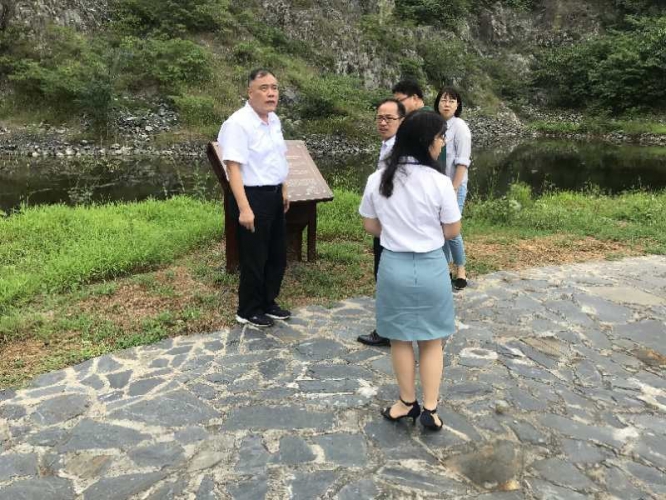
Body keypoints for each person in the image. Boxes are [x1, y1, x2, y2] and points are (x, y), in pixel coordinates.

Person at [359, 111, 461, 431]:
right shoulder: (440, 182)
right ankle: (430, 409)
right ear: (427, 142)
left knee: (400, 339)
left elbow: (370, 225)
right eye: (440, 137)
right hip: (431, 267)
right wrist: (425, 233)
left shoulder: (378, 178)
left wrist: (396, 231)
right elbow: (452, 229)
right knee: (432, 340)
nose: (442, 143)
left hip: (394, 267)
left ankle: (406, 403)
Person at [217, 68, 291, 328]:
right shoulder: (238, 123)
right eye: (264, 88)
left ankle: (268, 302)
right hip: (252, 196)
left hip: (273, 194)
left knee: (277, 254)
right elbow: (233, 168)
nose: (271, 93)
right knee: (255, 257)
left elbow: (278, 157)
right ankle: (248, 310)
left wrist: (283, 188)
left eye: (274, 88)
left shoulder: (274, 121)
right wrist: (244, 208)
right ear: (250, 92)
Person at [357, 98, 406, 348]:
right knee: (384, 273)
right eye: (379, 118)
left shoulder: (400, 150)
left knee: (386, 275)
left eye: (389, 118)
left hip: (390, 225)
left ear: (402, 121)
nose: (383, 123)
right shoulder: (388, 144)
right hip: (384, 222)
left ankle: (388, 331)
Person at [435, 87, 472, 290]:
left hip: (454, 186)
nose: (447, 104)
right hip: (437, 187)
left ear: (458, 105)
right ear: (438, 103)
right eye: (443, 100)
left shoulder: (460, 127)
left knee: (452, 230)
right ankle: (443, 269)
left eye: (451, 100)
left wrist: (455, 187)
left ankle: (461, 270)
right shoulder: (434, 125)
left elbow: (462, 162)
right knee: (440, 230)